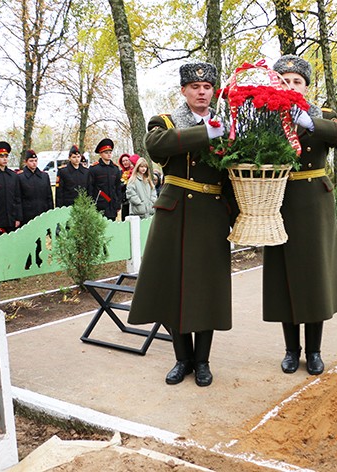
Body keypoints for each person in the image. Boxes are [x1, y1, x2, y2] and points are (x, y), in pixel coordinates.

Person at [127, 62, 234, 387]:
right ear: (184, 91)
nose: (202, 92)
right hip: (174, 216)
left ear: (212, 91)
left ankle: (202, 361)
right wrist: (207, 132)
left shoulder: (227, 126)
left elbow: (233, 174)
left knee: (207, 291)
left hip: (212, 214)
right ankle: (181, 359)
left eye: (206, 87)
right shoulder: (165, 122)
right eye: (195, 87)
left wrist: (237, 214)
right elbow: (156, 146)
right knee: (172, 289)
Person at [264, 54, 337, 375]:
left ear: (305, 86)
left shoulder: (322, 115)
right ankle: (291, 350)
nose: (291, 86)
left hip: (315, 202)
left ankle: (314, 351)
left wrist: (310, 122)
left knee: (314, 278)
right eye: (285, 81)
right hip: (280, 202)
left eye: (297, 82)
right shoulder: (267, 118)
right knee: (284, 278)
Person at [88, 138, 122, 220]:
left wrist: (118, 203)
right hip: (99, 205)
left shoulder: (115, 169)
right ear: (100, 153)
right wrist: (91, 204)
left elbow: (118, 188)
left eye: (110, 152)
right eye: (106, 153)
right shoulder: (94, 169)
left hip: (112, 205)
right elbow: (90, 188)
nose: (109, 155)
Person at [17, 149, 53, 224]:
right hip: (27, 215)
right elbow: (18, 199)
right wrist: (19, 217)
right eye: (31, 161)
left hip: (42, 213)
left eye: (35, 161)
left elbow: (49, 197)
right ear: (26, 162)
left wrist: (50, 212)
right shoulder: (20, 177)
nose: (34, 163)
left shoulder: (44, 176)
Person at [118, 153, 134, 221]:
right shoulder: (120, 173)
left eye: (126, 160)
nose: (125, 162)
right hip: (124, 200)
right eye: (123, 161)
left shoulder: (134, 171)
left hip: (133, 199)